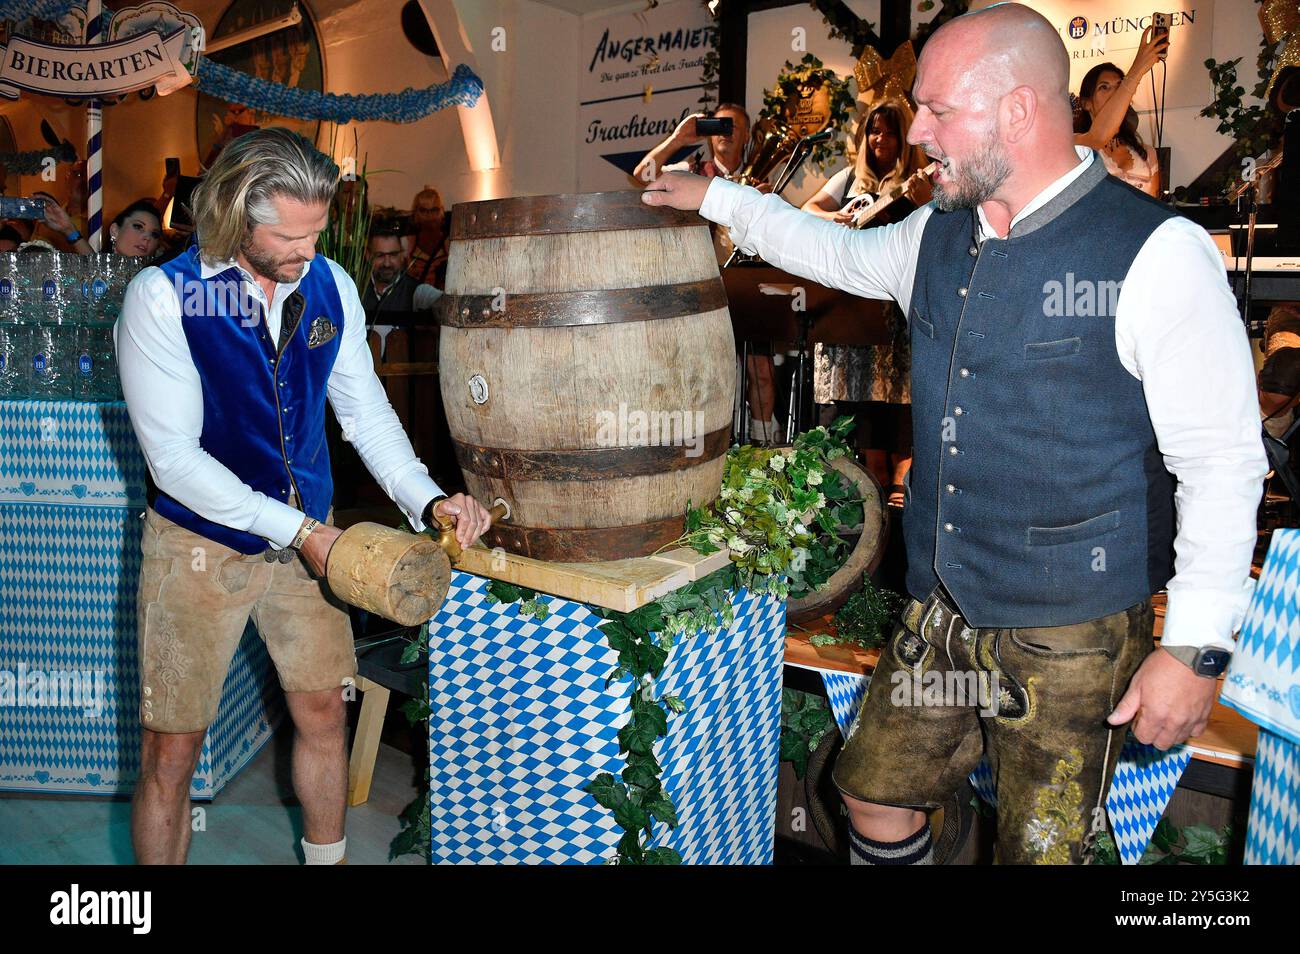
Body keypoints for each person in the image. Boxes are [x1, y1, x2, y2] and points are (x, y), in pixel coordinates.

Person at [643, 3, 1265, 864]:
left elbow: (1225, 463)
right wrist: (712, 194)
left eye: (939, 110)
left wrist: (1195, 647)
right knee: (871, 790)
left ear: (1017, 110)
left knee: (1046, 849)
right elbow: (830, 253)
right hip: (946, 608)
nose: (918, 130)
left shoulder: (1157, 252)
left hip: (1072, 626)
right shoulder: (935, 233)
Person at [115, 127, 492, 865]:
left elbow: (364, 413)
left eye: (316, 232)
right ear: (232, 214)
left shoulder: (332, 284)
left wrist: (425, 498)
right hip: (197, 543)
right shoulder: (162, 299)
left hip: (309, 538)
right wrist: (303, 532)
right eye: (289, 236)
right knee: (172, 748)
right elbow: (174, 462)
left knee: (324, 710)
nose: (307, 252)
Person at [802, 102, 932, 506]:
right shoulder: (848, 178)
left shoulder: (918, 178)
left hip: (894, 303)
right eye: (874, 131)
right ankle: (865, 481)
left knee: (896, 393)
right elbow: (808, 208)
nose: (880, 139)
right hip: (852, 302)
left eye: (890, 132)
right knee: (857, 395)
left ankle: (900, 478)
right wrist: (837, 216)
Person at [635, 104, 782, 445]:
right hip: (705, 286)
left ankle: (763, 451)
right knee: (711, 373)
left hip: (749, 285)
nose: (724, 133)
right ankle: (716, 448)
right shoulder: (691, 170)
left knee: (761, 372)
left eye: (733, 127)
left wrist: (766, 206)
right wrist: (678, 139)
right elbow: (642, 176)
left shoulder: (762, 176)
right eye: (718, 126)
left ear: (746, 136)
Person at [1074, 27, 1169, 197]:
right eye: (1104, 88)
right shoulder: (1076, 145)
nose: (1115, 94)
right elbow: (1097, 137)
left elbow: (1153, 207)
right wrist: (1138, 67)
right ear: (1086, 103)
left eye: (1119, 87)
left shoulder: (1146, 153)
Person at [364, 226, 442, 358]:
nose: (387, 263)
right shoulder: (353, 289)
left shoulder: (415, 291)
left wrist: (442, 304)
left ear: (402, 255)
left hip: (399, 377)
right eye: (380, 255)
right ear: (368, 255)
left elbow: (439, 299)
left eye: (393, 255)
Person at [41, 196, 164, 259]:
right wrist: (68, 229)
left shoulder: (157, 281)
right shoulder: (97, 275)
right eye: (138, 226)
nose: (147, 237)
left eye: (154, 234)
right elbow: (97, 270)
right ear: (115, 230)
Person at [405, 186, 450, 289]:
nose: (429, 215)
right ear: (416, 213)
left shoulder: (450, 243)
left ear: (441, 211)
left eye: (434, 210)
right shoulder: (407, 243)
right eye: (424, 210)